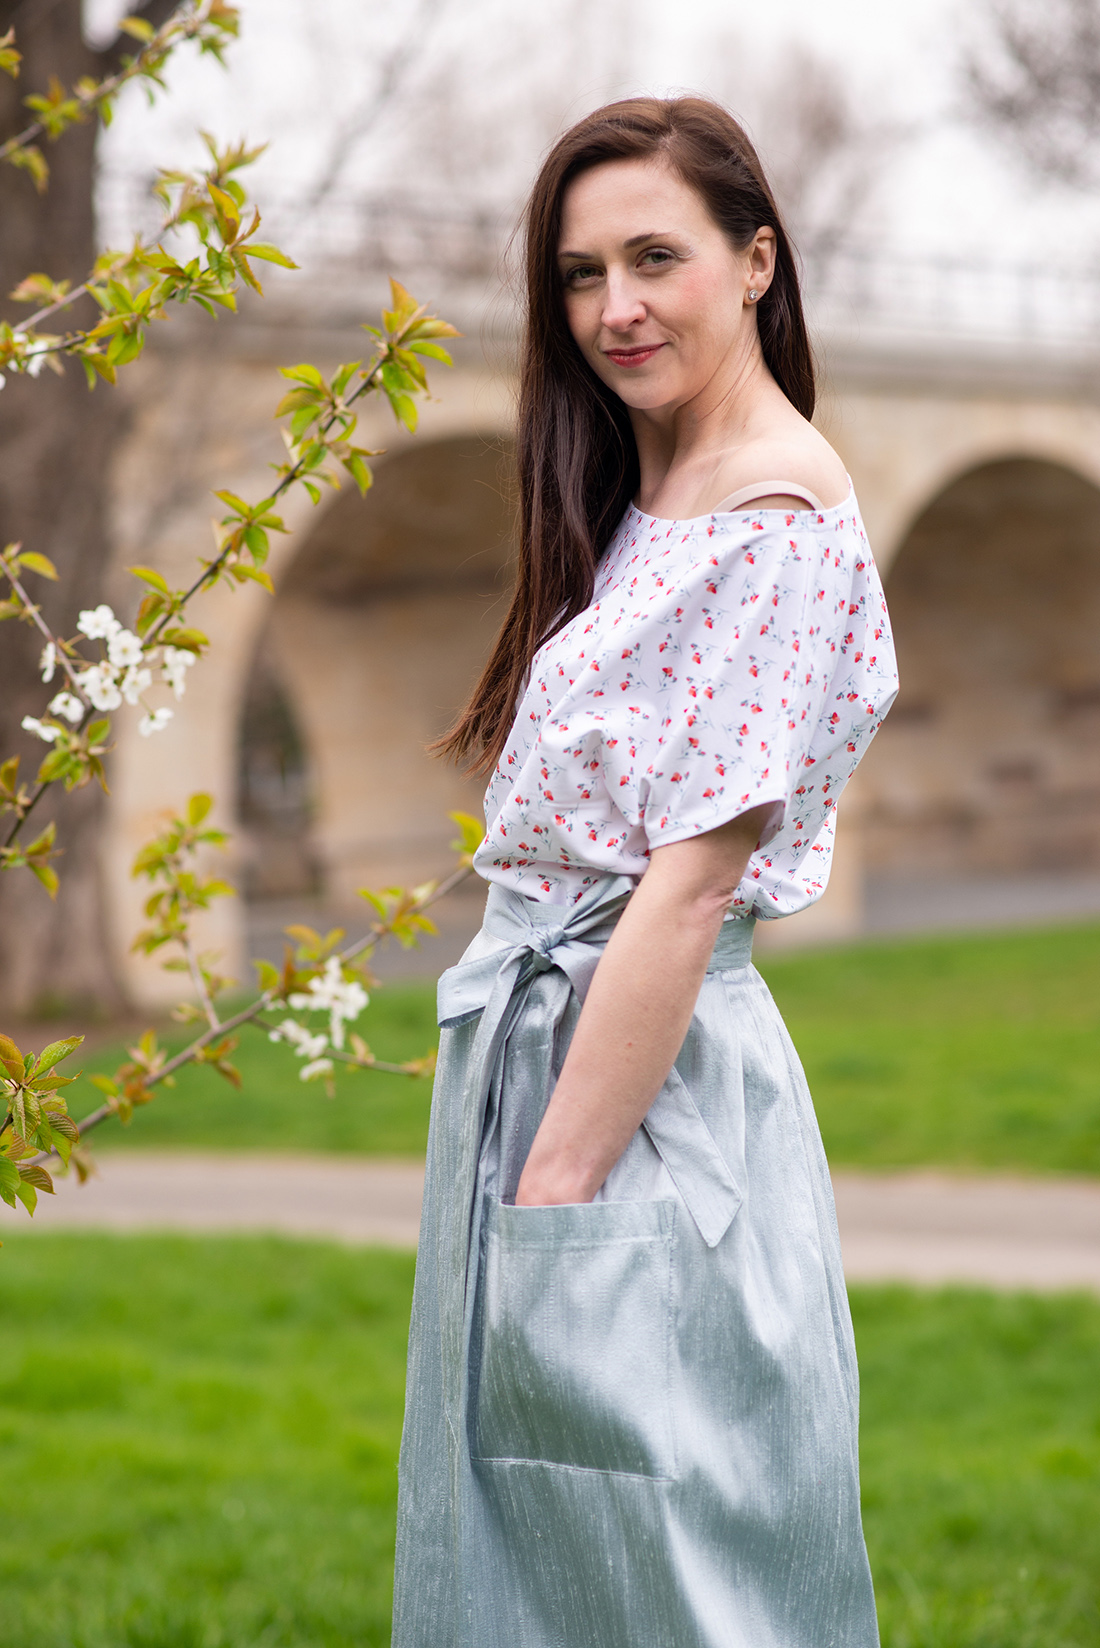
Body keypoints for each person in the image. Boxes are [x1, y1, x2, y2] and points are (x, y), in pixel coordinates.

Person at [392, 96, 898, 1648]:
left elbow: (686, 887)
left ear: (757, 262)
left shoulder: (773, 514)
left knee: (671, 1557)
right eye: (580, 273)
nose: (614, 307)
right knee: (546, 1555)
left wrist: (556, 1187)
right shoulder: (653, 486)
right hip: (558, 1050)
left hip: (641, 1098)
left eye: (654, 258)